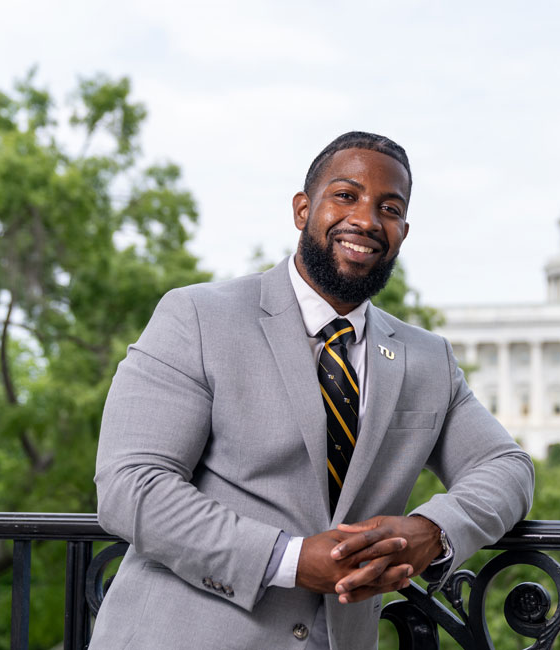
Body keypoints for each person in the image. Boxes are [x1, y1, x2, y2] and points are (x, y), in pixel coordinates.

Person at [89, 131, 534, 649]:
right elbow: (131, 486)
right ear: (303, 210)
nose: (366, 219)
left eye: (388, 208)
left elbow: (508, 468)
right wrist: (291, 561)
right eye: (346, 196)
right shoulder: (198, 317)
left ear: (403, 232)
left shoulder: (427, 360)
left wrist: (433, 531)